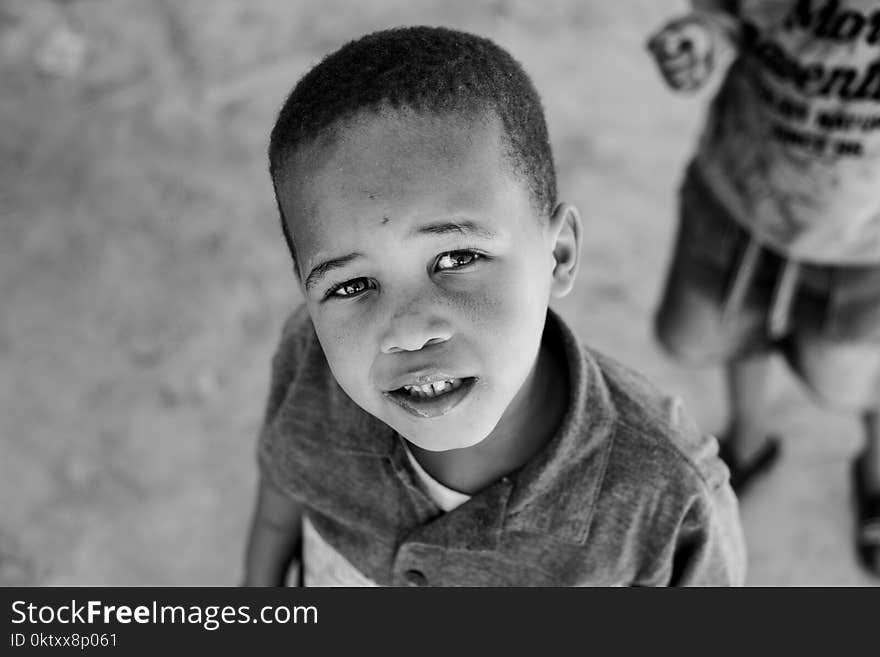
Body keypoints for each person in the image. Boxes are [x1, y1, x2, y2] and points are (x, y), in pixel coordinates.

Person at [242, 25, 745, 587]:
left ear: (557, 254)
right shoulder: (308, 358)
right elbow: (279, 501)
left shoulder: (667, 497)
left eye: (456, 257)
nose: (407, 331)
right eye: (350, 286)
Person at [648, 0, 880, 575]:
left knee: (855, 375)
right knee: (717, 332)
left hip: (867, 241)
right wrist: (703, 37)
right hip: (740, 196)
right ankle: (747, 441)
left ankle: (877, 472)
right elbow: (729, 13)